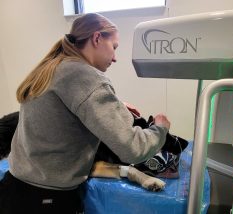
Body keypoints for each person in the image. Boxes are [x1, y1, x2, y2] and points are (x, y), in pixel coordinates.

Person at [0, 13, 170, 214]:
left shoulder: (52, 68)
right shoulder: (85, 76)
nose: (115, 58)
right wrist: (160, 129)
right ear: (97, 38)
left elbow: (59, 112)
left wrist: (115, 106)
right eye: (114, 47)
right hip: (49, 199)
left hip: (14, 190)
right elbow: (132, 148)